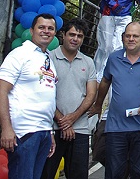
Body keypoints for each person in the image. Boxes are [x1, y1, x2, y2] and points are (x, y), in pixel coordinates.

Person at [89, 21, 140, 179]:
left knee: (139, 172)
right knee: (114, 172)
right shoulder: (114, 58)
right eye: (128, 35)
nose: (131, 39)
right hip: (116, 127)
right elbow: (105, 82)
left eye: (135, 36)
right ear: (123, 37)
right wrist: (97, 105)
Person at [0, 14, 58, 179]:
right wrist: (7, 128)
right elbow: (1, 91)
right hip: (23, 133)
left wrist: (49, 131)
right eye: (41, 27)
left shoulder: (48, 58)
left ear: (54, 33)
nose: (46, 31)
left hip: (43, 131)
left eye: (50, 28)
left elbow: (45, 96)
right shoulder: (19, 54)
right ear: (32, 30)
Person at [41, 19, 97, 179]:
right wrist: (62, 122)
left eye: (79, 36)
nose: (75, 39)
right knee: (46, 173)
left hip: (80, 129)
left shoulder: (88, 62)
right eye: (72, 34)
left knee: (78, 175)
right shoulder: (48, 59)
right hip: (51, 128)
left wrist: (72, 119)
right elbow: (43, 94)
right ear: (63, 35)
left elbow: (91, 95)